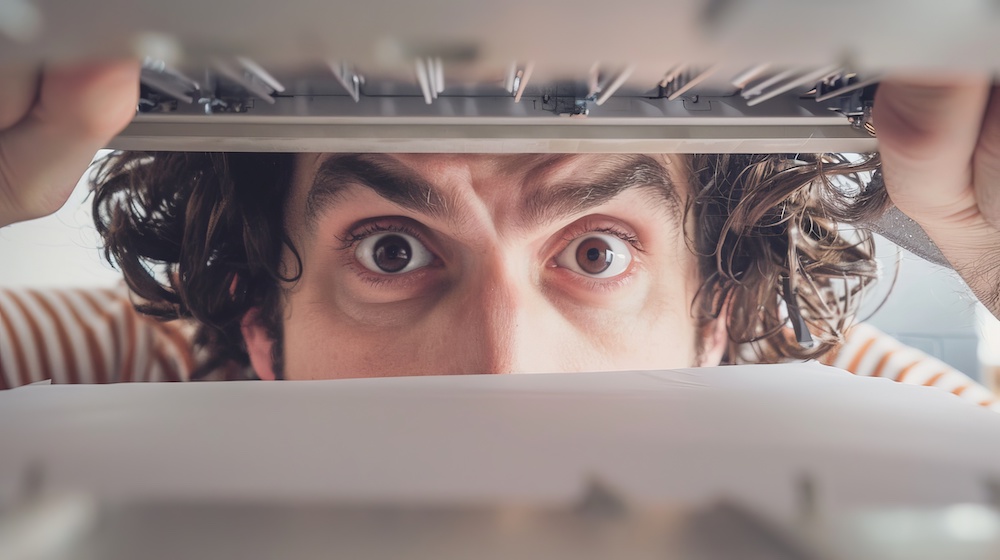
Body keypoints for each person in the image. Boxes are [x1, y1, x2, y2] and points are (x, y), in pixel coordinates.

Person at [0, 62, 998, 402]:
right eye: (389, 247)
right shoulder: (113, 365)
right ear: (260, 321)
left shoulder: (861, 417)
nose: (501, 371)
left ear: (714, 325)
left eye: (594, 251)